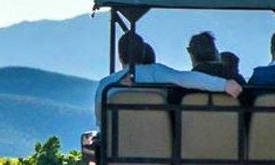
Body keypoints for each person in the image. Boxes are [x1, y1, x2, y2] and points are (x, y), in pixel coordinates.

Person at [96, 31, 242, 123]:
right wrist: (224, 85)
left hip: (119, 149)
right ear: (142, 52)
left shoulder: (106, 84)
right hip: (159, 146)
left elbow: (102, 121)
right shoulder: (156, 72)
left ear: (120, 56)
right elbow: (186, 78)